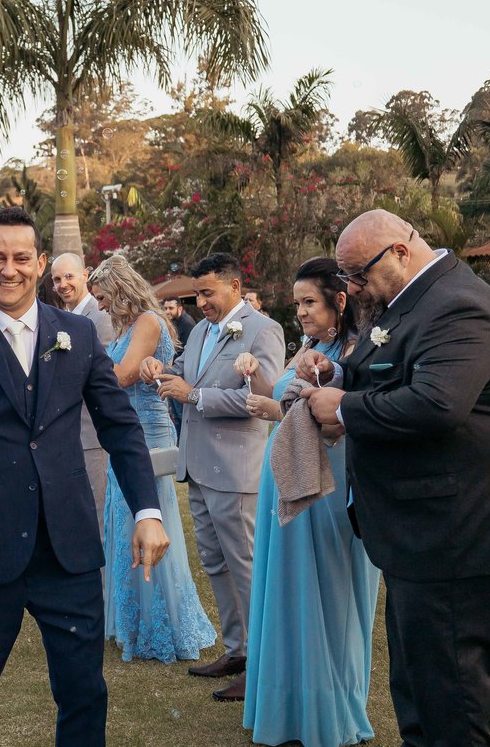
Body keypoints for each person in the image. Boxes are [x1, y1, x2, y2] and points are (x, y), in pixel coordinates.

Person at [0, 206, 168, 747]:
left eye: (22, 258)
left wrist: (148, 511)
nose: (10, 269)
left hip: (69, 551)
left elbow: (121, 430)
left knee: (83, 694)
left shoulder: (75, 333)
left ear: (41, 262)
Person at [299, 210, 490, 746]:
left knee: (452, 710)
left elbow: (438, 403)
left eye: (356, 273)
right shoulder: (400, 301)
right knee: (417, 696)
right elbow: (386, 370)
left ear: (399, 251)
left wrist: (344, 407)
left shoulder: (462, 305)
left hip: (455, 537)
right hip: (412, 535)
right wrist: (338, 373)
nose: (350, 287)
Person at [239, 257, 380, 741]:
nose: (299, 311)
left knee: (330, 597)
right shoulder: (311, 344)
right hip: (284, 479)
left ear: (340, 301)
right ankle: (289, 708)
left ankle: (330, 710)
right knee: (286, 591)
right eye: (296, 302)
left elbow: (355, 408)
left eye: (309, 302)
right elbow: (285, 403)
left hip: (329, 486)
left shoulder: (357, 352)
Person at [140, 252, 284, 701]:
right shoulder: (201, 330)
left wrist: (195, 395)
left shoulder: (264, 330)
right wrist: (159, 371)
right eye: (197, 293)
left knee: (246, 568)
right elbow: (184, 375)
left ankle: (263, 662)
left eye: (207, 292)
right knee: (215, 564)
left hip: (238, 468)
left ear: (234, 287)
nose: (200, 301)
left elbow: (264, 396)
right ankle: (237, 651)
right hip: (197, 466)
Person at [88, 255, 216, 664]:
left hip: (144, 431)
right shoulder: (130, 325)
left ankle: (162, 625)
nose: (101, 305)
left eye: (103, 296)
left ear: (119, 288)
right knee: (121, 521)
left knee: (145, 520)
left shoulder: (147, 321)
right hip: (125, 431)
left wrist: (86, 363)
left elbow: (122, 376)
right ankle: (131, 620)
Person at [51, 252, 117, 537]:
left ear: (85, 275)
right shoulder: (59, 319)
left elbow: (107, 376)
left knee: (100, 515)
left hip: (93, 432)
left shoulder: (100, 317)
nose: (62, 284)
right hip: (66, 432)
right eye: (56, 279)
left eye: (68, 276)